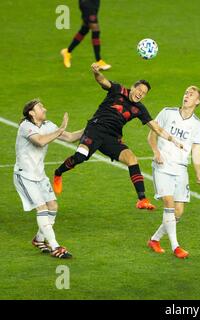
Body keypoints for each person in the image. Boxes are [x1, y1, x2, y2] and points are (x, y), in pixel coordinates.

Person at [53, 63, 184, 210]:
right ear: (133, 87)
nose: (140, 93)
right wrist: (96, 72)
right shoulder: (118, 90)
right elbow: (102, 80)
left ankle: (142, 200)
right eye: (139, 89)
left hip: (112, 137)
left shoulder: (140, 109)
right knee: (80, 157)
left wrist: (173, 140)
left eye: (144, 93)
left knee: (132, 159)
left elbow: (156, 128)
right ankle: (58, 173)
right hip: (95, 129)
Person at [14, 99, 84, 258]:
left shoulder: (48, 125)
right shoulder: (26, 126)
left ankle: (39, 239)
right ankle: (55, 246)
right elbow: (40, 141)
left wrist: (93, 127)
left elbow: (71, 137)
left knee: (52, 206)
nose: (44, 109)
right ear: (32, 112)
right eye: (40, 107)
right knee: (42, 208)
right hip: (24, 175)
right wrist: (59, 130)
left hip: (40, 175)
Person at [147, 86, 200, 259]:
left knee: (178, 211)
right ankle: (175, 247)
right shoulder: (167, 113)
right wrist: (156, 152)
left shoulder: (198, 125)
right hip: (163, 165)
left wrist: (198, 172)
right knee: (169, 203)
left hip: (181, 169)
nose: (187, 95)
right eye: (186, 92)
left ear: (197, 101)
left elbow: (196, 150)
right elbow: (151, 135)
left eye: (191, 94)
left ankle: (154, 239)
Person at [60, 0, 111, 70]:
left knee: (85, 29)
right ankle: (99, 61)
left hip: (94, 3)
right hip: (87, 3)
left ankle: (67, 51)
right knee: (95, 30)